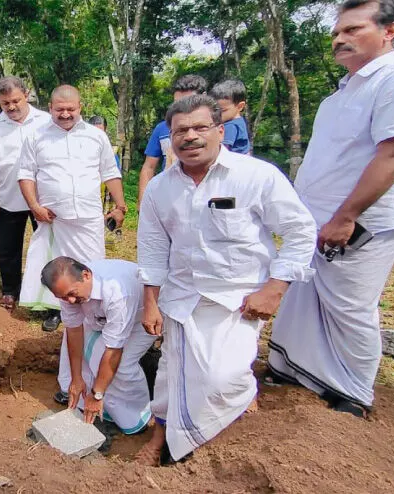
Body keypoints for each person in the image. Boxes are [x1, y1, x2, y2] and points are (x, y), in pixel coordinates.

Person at [135, 95, 316, 465]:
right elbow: (152, 249)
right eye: (181, 130)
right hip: (181, 297)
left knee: (223, 380)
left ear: (220, 131)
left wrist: (275, 288)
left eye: (200, 127)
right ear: (170, 138)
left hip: (238, 300)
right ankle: (160, 438)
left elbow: (300, 231)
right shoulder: (159, 188)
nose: (190, 136)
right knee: (172, 374)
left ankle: (215, 433)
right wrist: (150, 302)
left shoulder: (256, 176)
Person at [268, 0, 394, 419]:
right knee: (305, 297)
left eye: (353, 29)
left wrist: (346, 215)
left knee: (350, 306)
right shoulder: (343, 91)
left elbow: (393, 154)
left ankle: (352, 391)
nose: (340, 39)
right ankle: (296, 369)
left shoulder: (392, 79)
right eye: (337, 33)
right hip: (317, 220)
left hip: (359, 222)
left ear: (389, 31)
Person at [17, 84, 127, 336]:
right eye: (59, 109)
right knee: (56, 266)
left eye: (70, 109)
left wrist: (121, 206)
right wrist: (35, 206)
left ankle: (97, 312)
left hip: (89, 217)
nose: (65, 114)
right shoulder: (35, 136)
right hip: (54, 218)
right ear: (50, 108)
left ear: (80, 107)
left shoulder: (96, 136)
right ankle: (56, 311)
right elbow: (26, 174)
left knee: (93, 265)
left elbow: (110, 172)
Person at [43, 257, 157, 434]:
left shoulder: (118, 292)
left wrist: (97, 394)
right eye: (63, 297)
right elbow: (74, 331)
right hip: (101, 316)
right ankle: (80, 397)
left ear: (86, 275)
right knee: (78, 343)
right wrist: (76, 378)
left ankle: (134, 417)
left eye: (72, 294)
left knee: (122, 364)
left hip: (143, 318)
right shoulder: (69, 290)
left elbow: (114, 350)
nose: (70, 300)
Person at [0, 76, 51, 311]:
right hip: (8, 197)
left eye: (16, 101)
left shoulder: (46, 121)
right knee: (8, 248)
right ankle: (10, 290)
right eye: (5, 103)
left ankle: (48, 293)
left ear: (26, 95)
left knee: (47, 246)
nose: (11, 107)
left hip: (42, 198)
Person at [137, 75, 208, 210]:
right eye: (177, 104)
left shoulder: (214, 129)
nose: (182, 108)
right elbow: (149, 167)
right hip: (169, 200)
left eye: (189, 102)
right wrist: (143, 204)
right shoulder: (161, 129)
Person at [210, 79, 250, 154]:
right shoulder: (239, 122)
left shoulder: (230, 126)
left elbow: (222, 151)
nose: (216, 114)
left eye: (222, 111)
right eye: (215, 110)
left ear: (240, 106)